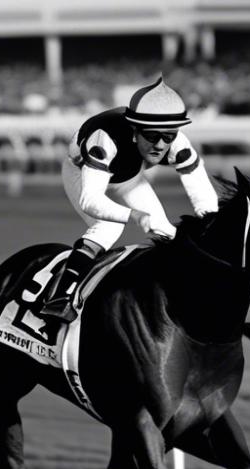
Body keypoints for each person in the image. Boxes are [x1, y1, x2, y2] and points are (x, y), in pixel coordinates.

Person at [40, 77, 219, 322]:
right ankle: (60, 296)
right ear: (134, 133)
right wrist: (132, 215)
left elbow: (203, 197)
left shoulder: (178, 143)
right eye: (152, 136)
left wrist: (213, 228)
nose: (160, 145)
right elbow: (90, 200)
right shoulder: (105, 138)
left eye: (168, 136)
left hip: (128, 177)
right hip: (81, 171)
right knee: (109, 225)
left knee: (167, 230)